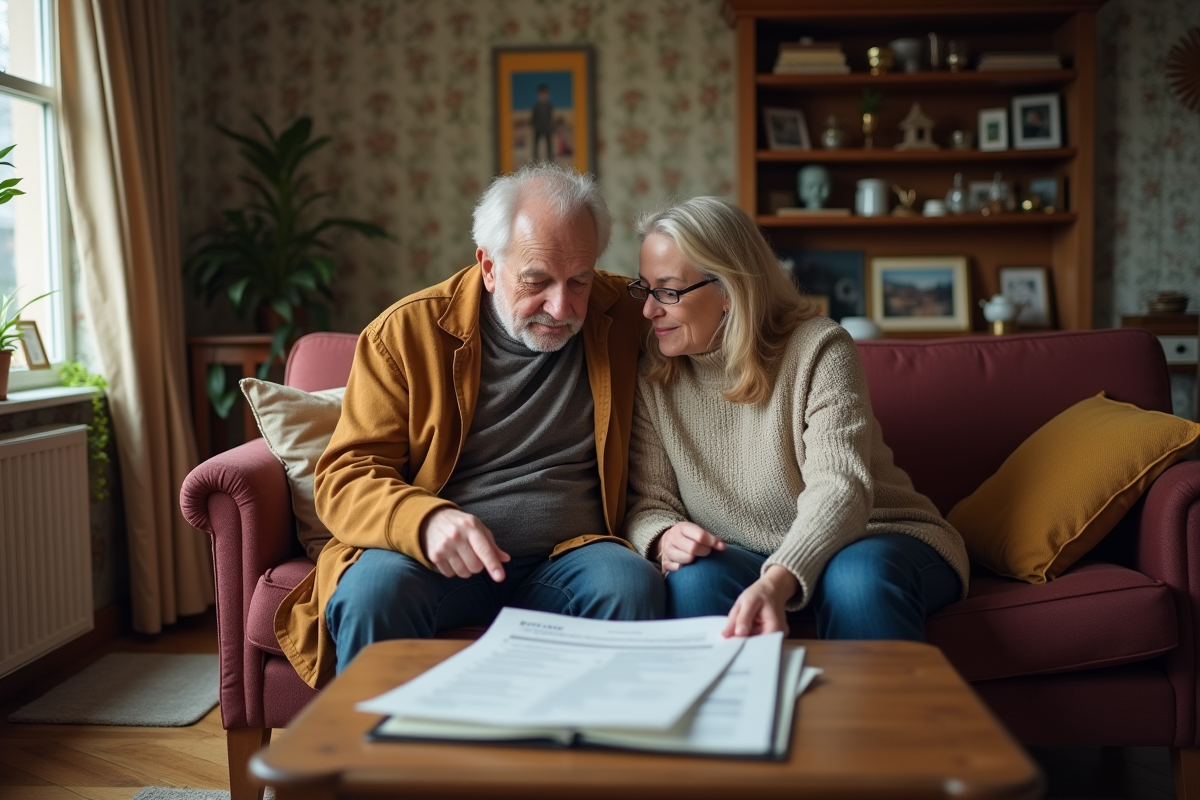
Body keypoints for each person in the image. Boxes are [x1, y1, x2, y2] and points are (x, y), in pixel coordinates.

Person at [275, 163, 664, 688]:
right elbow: (345, 477)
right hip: (434, 562)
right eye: (536, 281)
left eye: (579, 281)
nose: (562, 307)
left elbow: (719, 315)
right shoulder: (406, 334)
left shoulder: (622, 316)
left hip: (575, 553)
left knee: (631, 585)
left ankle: (594, 766)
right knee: (372, 593)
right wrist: (426, 520)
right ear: (487, 266)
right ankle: (379, 768)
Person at [624, 196, 969, 640]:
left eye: (667, 291)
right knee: (695, 579)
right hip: (743, 550)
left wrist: (779, 577)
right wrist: (662, 535)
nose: (649, 309)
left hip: (874, 534)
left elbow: (839, 487)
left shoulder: (820, 349)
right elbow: (648, 502)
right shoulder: (655, 374)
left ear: (728, 291)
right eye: (644, 288)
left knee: (855, 581)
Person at [531, 84, 555, 162]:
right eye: (542, 93)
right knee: (536, 146)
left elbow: (550, 118)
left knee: (549, 146)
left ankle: (550, 161)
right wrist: (535, 126)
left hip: (547, 128)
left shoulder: (549, 106)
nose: (544, 95)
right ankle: (535, 161)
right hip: (538, 128)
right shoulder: (536, 106)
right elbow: (534, 118)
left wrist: (551, 127)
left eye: (545, 93)